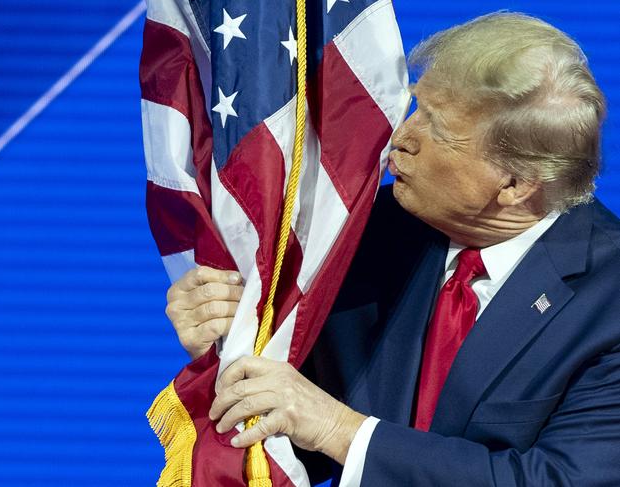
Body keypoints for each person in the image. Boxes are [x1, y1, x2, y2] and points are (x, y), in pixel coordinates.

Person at [163, 12, 620, 486]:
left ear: (514, 184)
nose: (400, 137)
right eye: (416, 106)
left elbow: (555, 480)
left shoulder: (609, 305)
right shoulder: (369, 230)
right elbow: (296, 419)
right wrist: (230, 336)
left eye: (436, 129)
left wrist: (341, 429)